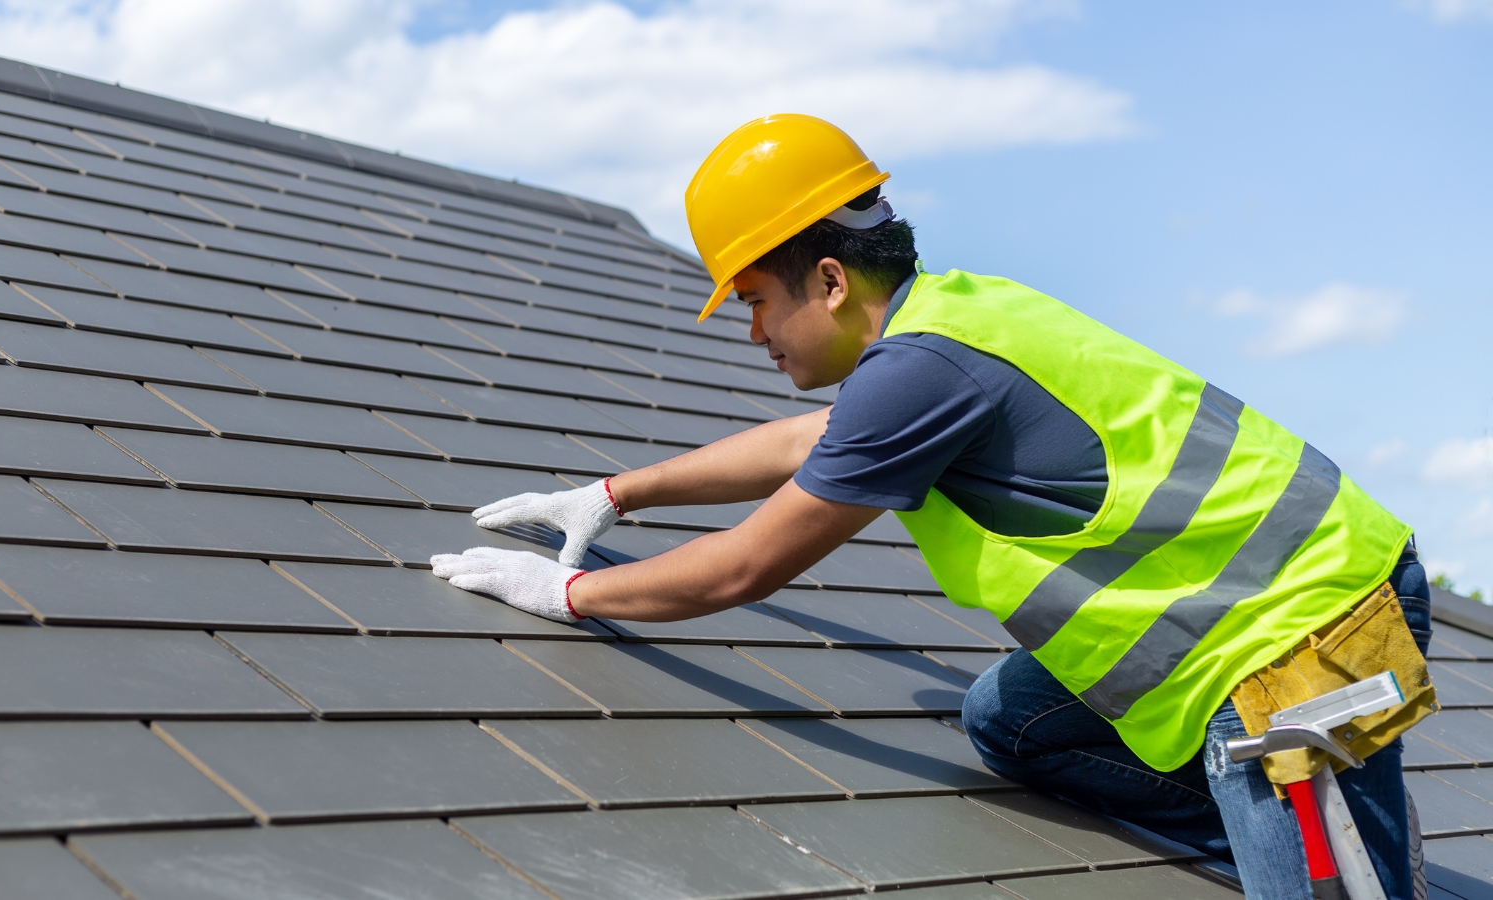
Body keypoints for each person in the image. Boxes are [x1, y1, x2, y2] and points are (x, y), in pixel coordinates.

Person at [431, 114, 1434, 900]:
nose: (752, 332)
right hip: (1254, 611)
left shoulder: (921, 371)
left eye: (755, 299)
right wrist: (614, 494)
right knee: (1010, 722)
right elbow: (804, 445)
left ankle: (1330, 843)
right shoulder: (947, 319)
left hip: (1302, 639)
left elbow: (744, 567)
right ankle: (1284, 821)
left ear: (828, 281)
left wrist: (567, 596)